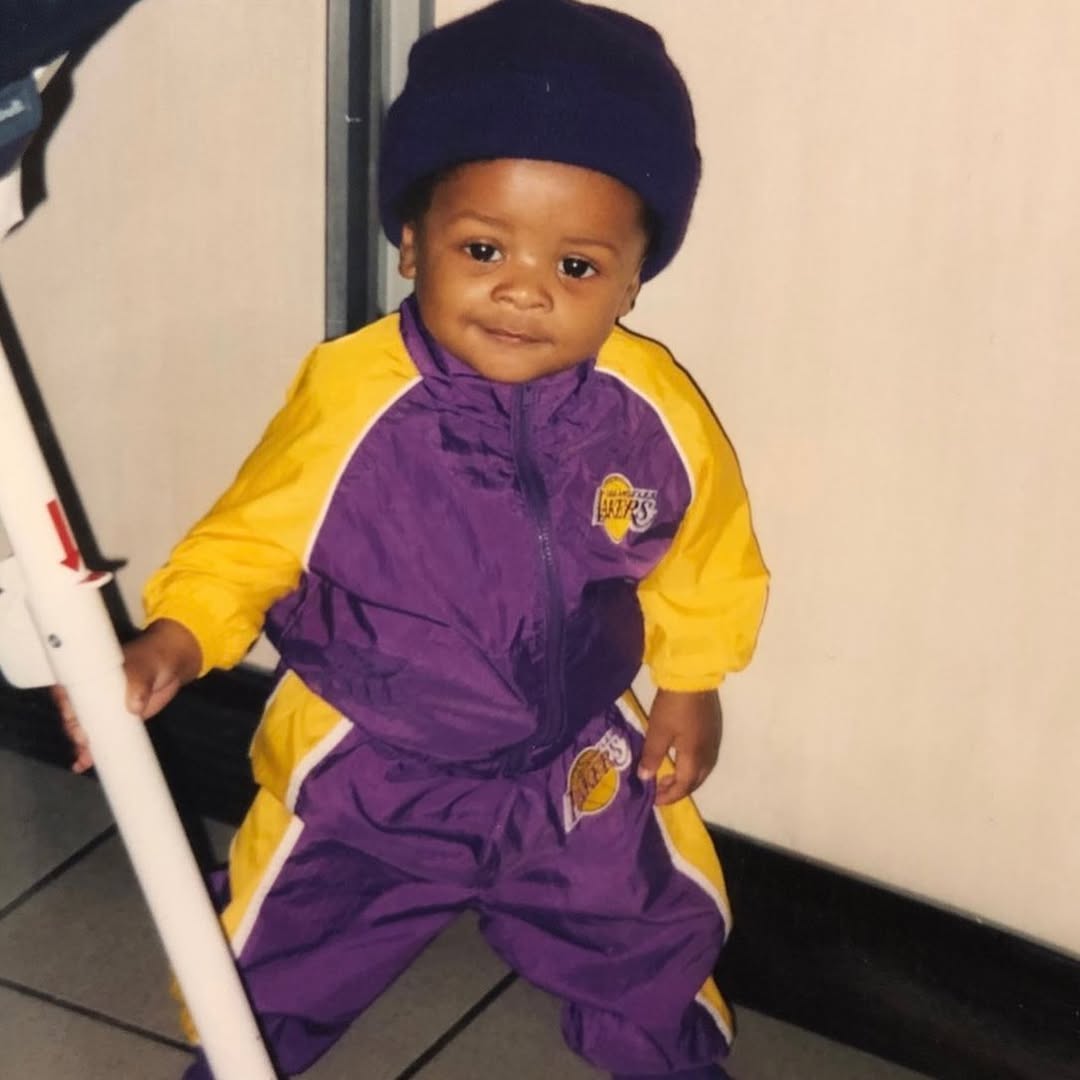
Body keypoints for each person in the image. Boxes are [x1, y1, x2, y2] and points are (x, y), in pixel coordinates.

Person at [58, 1, 768, 1076]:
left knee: (646, 933)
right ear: (409, 243)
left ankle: (666, 1055)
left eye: (577, 267)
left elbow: (701, 548)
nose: (524, 288)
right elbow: (250, 537)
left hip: (569, 751)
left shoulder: (650, 406)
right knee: (277, 958)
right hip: (373, 758)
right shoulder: (355, 399)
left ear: (633, 277)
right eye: (483, 247)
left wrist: (690, 682)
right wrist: (181, 633)